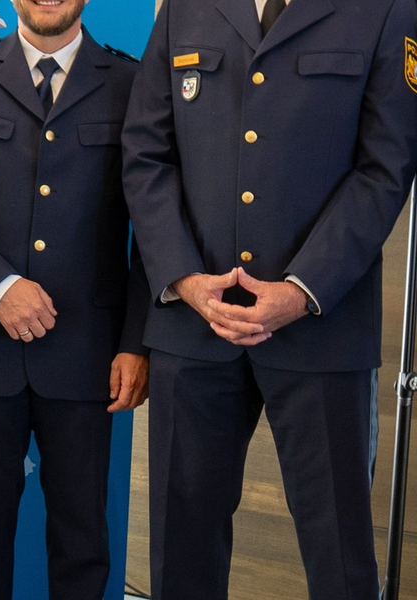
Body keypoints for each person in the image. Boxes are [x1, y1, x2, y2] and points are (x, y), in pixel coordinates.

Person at [122, 0, 417, 597]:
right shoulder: (184, 7)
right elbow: (146, 153)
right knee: (181, 560)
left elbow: (385, 167)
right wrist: (181, 278)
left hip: (320, 328)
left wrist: (303, 289)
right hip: (195, 326)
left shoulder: (388, 9)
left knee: (339, 562)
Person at [0, 0, 150, 598]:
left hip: (90, 356)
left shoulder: (132, 82)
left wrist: (137, 341)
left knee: (84, 545)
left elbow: (156, 221)